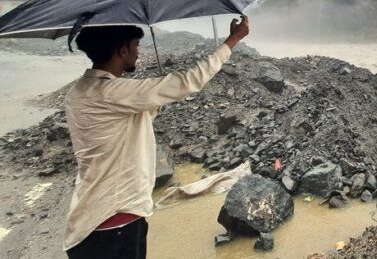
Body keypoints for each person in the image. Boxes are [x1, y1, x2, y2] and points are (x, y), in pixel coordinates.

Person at [63, 16, 250, 258]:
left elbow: (122, 126)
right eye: (136, 46)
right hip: (115, 224)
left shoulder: (78, 93)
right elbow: (187, 80)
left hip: (89, 218)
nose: (138, 53)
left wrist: (156, 101)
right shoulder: (113, 93)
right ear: (122, 50)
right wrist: (233, 39)